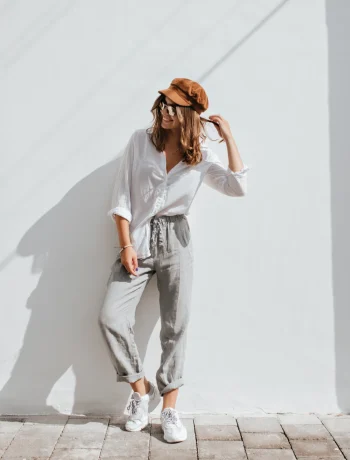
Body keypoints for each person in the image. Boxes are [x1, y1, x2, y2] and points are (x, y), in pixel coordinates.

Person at [98, 78, 250, 443]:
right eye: (163, 103)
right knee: (111, 316)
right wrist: (126, 246)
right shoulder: (140, 141)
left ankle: (169, 407)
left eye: (175, 107)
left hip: (177, 240)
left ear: (190, 115)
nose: (165, 111)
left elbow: (237, 187)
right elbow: (121, 196)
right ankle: (140, 390)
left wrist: (228, 137)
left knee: (175, 326)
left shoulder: (198, 154)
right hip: (137, 238)